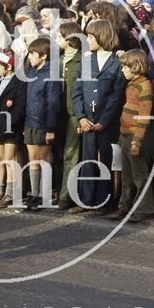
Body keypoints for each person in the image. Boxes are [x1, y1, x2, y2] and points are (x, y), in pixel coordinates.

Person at [70, 19, 126, 214]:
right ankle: (85, 200)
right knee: (87, 160)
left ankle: (104, 201)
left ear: (102, 36)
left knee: (105, 160)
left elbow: (116, 96)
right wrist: (81, 117)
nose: (88, 40)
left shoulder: (117, 63)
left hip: (106, 123)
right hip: (87, 121)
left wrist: (103, 121)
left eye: (91, 36)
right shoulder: (86, 61)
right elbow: (76, 92)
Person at [109, 50, 154, 222]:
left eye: (124, 66)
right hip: (126, 136)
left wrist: (137, 141)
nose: (122, 70)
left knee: (140, 174)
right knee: (126, 175)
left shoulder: (144, 86)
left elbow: (144, 117)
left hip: (136, 138)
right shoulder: (131, 84)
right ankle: (124, 206)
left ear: (135, 66)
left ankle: (145, 208)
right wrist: (123, 136)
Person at [0, 50, 27, 209]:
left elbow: (20, 107)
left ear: (8, 66)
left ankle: (10, 192)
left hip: (10, 127)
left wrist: (11, 122)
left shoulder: (19, 82)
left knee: (10, 159)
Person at [23, 37, 62, 210]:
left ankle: (45, 194)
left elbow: (53, 103)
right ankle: (34, 193)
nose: (29, 57)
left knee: (44, 159)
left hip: (43, 123)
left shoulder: (50, 75)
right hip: (30, 121)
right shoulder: (32, 72)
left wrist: (50, 128)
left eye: (32, 54)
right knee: (33, 159)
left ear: (44, 56)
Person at [57, 22, 82, 211]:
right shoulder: (57, 59)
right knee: (57, 154)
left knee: (71, 155)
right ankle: (57, 189)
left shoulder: (82, 60)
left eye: (59, 36)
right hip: (56, 114)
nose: (56, 39)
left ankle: (67, 195)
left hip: (74, 114)